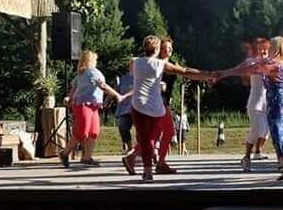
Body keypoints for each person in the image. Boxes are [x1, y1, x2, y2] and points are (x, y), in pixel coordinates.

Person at [219, 36, 283, 180]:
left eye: (271, 46)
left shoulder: (274, 64)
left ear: (275, 48)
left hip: (277, 101)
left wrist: (224, 73)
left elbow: (248, 70)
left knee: (279, 133)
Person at [124, 35, 213, 181]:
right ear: (158, 49)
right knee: (151, 139)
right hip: (155, 107)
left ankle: (147, 170)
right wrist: (206, 75)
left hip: (138, 105)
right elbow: (185, 71)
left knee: (146, 139)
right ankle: (150, 165)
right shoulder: (161, 65)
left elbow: (132, 65)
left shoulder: (135, 62)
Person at [59, 50, 123, 167]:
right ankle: (64, 153)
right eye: (95, 59)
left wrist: (69, 98)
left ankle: (87, 157)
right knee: (82, 132)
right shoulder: (90, 73)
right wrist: (116, 95)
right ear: (91, 60)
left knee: (94, 132)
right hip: (83, 105)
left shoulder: (81, 74)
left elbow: (73, 89)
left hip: (93, 105)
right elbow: (102, 86)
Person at [240, 38, 271, 173]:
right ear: (256, 49)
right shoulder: (251, 62)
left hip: (267, 103)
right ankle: (246, 157)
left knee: (265, 131)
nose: (263, 51)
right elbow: (244, 70)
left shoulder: (271, 62)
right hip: (255, 102)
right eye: (260, 48)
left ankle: (257, 152)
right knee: (256, 129)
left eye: (265, 48)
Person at [115, 72, 135, 154]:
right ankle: (130, 148)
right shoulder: (123, 78)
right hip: (124, 108)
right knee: (122, 126)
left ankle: (143, 149)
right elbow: (117, 91)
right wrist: (106, 101)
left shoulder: (142, 76)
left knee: (142, 130)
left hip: (138, 107)